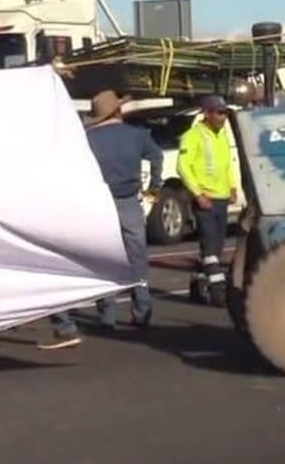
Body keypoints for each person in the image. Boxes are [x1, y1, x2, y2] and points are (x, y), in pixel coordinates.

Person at [39, 90, 164, 350]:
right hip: (128, 201)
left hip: (97, 204)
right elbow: (156, 156)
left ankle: (106, 314)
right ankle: (142, 309)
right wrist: (154, 185)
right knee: (136, 256)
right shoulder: (136, 135)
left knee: (103, 258)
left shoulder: (86, 139)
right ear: (118, 111)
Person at [177, 94, 238, 308]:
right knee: (210, 249)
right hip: (206, 199)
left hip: (221, 198)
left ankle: (197, 283)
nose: (223, 117)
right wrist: (198, 194)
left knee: (217, 247)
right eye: (219, 113)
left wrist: (232, 186)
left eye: (225, 113)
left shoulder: (221, 135)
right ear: (207, 113)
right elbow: (183, 167)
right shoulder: (193, 136)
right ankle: (218, 292)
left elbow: (225, 164)